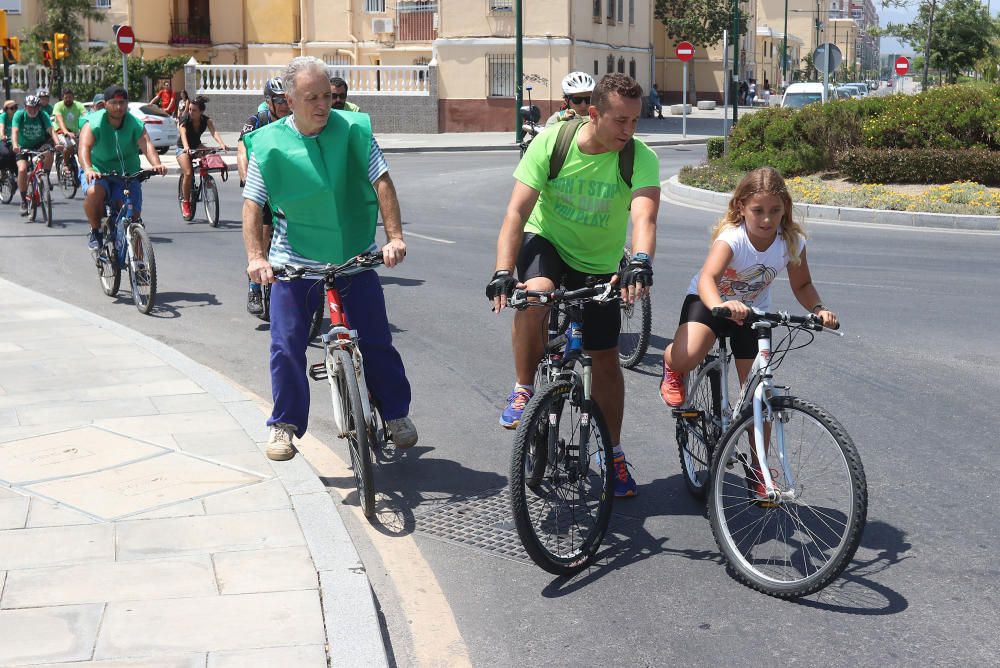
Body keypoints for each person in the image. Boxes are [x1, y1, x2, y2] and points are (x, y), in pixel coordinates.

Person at [487, 73, 661, 498]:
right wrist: (503, 270)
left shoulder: (638, 157)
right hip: (548, 242)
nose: (629, 130)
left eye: (635, 121)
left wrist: (639, 261)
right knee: (534, 296)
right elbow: (516, 212)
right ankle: (524, 386)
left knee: (604, 359)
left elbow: (644, 218)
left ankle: (613, 452)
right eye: (620, 120)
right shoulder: (552, 143)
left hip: (599, 261)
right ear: (594, 113)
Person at [242, 56, 418, 461]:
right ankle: (284, 425)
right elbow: (253, 204)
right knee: (286, 344)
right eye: (311, 98)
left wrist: (394, 238)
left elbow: (382, 181)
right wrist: (257, 257)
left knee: (375, 340)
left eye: (326, 96)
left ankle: (394, 415)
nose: (323, 105)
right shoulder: (268, 143)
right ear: (289, 99)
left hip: (353, 253)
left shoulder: (354, 130)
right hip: (295, 258)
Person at [658, 167, 838, 441]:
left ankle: (761, 479)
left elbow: (802, 285)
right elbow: (708, 277)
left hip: (752, 313)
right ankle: (671, 363)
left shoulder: (791, 242)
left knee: (759, 398)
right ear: (742, 207)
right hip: (710, 302)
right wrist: (722, 304)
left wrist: (818, 309)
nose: (767, 219)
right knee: (689, 356)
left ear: (785, 208)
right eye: (758, 210)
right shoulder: (733, 238)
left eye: (775, 210)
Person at [78, 85, 168, 249]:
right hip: (98, 170)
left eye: (122, 102)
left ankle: (140, 264)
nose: (119, 107)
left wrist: (157, 164)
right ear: (105, 104)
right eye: (114, 102)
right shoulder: (94, 122)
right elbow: (84, 147)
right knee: (94, 192)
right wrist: (89, 169)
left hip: (127, 173)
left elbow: (147, 145)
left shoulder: (134, 123)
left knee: (133, 216)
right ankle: (96, 231)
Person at [238, 76, 291, 316]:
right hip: (262, 186)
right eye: (278, 100)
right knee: (263, 234)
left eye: (286, 99)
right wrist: (247, 178)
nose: (283, 104)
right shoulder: (256, 121)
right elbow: (242, 149)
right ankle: (254, 288)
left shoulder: (295, 120)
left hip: (286, 186)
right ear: (268, 101)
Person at [176, 95, 227, 220]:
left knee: (211, 154)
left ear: (201, 112)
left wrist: (222, 144)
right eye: (190, 110)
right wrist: (187, 147)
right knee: (188, 173)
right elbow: (183, 134)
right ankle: (186, 203)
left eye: (194, 110)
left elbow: (214, 132)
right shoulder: (185, 119)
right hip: (182, 147)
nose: (191, 112)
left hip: (197, 145)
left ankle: (206, 180)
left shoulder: (206, 120)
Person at [10, 94, 57, 216]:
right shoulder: (19, 115)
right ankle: (23, 201)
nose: (33, 110)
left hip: (40, 144)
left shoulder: (43, 115)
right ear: (25, 107)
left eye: (35, 107)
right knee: (22, 169)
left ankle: (44, 176)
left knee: (50, 152)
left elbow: (51, 130)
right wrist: (15, 145)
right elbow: (14, 131)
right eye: (30, 108)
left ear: (39, 107)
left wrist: (58, 143)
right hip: (22, 146)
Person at [52, 88, 87, 165]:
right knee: (69, 145)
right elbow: (60, 121)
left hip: (75, 133)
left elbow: (85, 117)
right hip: (61, 131)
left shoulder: (79, 105)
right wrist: (66, 132)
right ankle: (66, 164)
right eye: (66, 98)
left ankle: (84, 167)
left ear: (73, 97)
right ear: (63, 98)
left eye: (70, 97)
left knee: (84, 147)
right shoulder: (58, 105)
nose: (68, 99)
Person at [0, 100, 18, 175]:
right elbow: (1, 128)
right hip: (3, 140)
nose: (14, 109)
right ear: (6, 109)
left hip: (14, 140)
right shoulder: (3, 116)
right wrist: (2, 135)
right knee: (5, 153)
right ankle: (2, 169)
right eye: (12, 108)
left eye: (15, 107)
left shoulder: (18, 116)